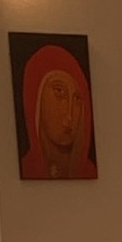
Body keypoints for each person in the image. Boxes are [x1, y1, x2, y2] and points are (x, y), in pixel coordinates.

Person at [19, 43, 96, 180]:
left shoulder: (90, 173)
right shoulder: (19, 172)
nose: (69, 115)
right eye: (59, 92)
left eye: (77, 99)